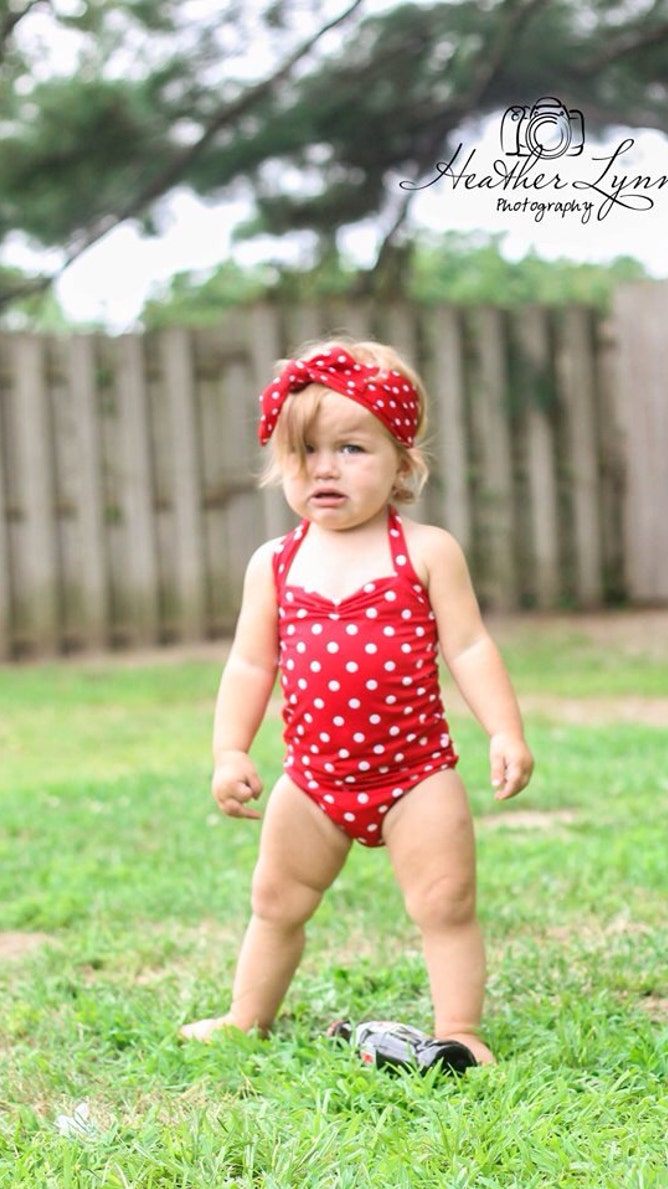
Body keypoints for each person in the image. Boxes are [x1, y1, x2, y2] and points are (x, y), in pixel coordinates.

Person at [180, 339, 534, 1064]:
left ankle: (460, 1026)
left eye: (350, 447)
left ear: (403, 462)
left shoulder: (428, 550)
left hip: (415, 774)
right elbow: (251, 663)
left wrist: (504, 730)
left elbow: (468, 647)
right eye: (303, 450)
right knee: (276, 901)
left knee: (444, 902)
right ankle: (247, 1015)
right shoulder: (274, 564)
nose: (323, 468)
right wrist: (229, 750)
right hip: (312, 780)